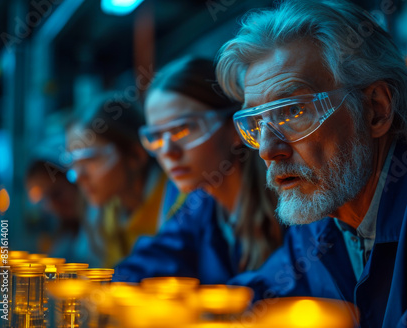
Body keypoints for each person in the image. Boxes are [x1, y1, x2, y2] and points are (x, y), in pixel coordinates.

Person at [216, 0, 407, 327]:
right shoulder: (322, 216)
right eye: (257, 123)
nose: (267, 149)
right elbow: (262, 297)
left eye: (294, 112)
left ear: (376, 108)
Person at [113, 56, 283, 284]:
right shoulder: (200, 207)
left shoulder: (287, 203)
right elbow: (152, 262)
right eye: (155, 136)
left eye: (184, 129)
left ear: (236, 129)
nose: (168, 151)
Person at [66, 95, 171, 268]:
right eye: (74, 163)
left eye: (90, 160)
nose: (78, 176)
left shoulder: (176, 204)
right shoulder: (108, 214)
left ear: (136, 156)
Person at [25, 157, 99, 266]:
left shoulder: (101, 223)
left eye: (56, 193)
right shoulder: (65, 236)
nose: (52, 206)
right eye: (44, 199)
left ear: (76, 182)